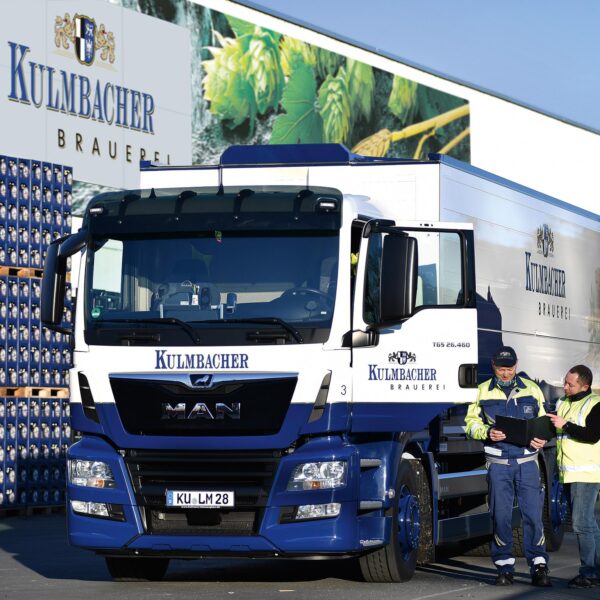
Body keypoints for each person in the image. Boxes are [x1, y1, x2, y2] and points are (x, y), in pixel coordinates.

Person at [465, 346, 551, 587]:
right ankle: (504, 567)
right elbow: (470, 423)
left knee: (533, 516)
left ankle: (539, 566)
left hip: (527, 463)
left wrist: (542, 438)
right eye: (501, 369)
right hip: (498, 464)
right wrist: (487, 432)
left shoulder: (532, 389)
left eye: (510, 368)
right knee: (500, 516)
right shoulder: (481, 391)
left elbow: (543, 421)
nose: (506, 373)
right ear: (493, 366)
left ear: (516, 365)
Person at [548, 365, 600, 589]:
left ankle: (589, 573)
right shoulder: (562, 402)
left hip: (586, 473)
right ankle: (596, 570)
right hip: (568, 472)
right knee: (588, 523)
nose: (565, 387)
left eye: (570, 384)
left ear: (585, 386)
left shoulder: (595, 404)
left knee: (581, 524)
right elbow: (557, 431)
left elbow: (593, 435)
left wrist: (565, 424)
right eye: (565, 382)